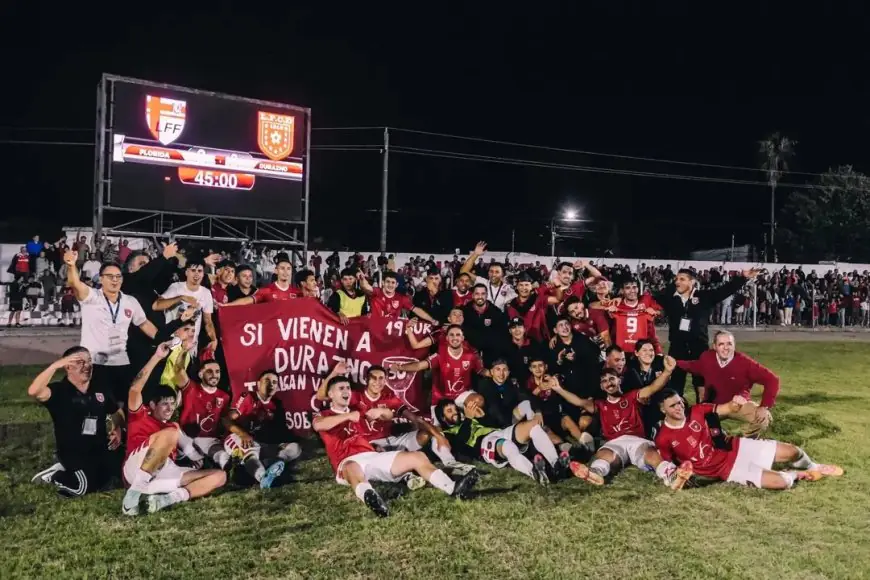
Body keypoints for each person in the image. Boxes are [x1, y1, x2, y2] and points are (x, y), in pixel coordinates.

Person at [314, 376, 478, 518]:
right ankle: (372, 499)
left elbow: (389, 415)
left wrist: (380, 411)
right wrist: (348, 416)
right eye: (341, 388)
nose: (346, 391)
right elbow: (319, 425)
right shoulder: (323, 414)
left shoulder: (358, 408)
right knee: (352, 467)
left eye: (348, 388)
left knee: (417, 457)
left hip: (372, 455)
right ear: (331, 394)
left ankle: (452, 488)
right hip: (347, 461)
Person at [655, 390, 843, 490]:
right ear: (663, 410)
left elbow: (726, 408)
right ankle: (795, 474)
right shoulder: (663, 437)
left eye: (680, 402)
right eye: (673, 406)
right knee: (782, 483)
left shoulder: (697, 411)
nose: (679, 407)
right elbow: (668, 465)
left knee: (792, 451)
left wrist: (735, 403)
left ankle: (814, 466)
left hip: (736, 447)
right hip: (727, 470)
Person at [121, 343, 226, 516]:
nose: (170, 408)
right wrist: (157, 357)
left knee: (220, 476)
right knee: (171, 433)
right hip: (136, 469)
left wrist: (202, 459)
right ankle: (133, 495)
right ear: (152, 405)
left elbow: (192, 453)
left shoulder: (173, 427)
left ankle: (166, 500)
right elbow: (135, 388)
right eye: (165, 404)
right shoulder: (141, 415)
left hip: (163, 473)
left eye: (172, 403)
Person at [315, 363, 473, 475]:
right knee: (378, 452)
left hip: (391, 439)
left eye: (381, 378)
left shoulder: (390, 398)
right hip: (369, 444)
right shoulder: (355, 396)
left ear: (385, 380)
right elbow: (321, 396)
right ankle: (406, 473)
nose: (378, 382)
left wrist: (438, 436)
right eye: (373, 378)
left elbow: (414, 418)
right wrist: (334, 373)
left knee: (427, 433)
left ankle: (451, 463)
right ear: (366, 379)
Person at [558, 361, 690, 489]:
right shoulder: (600, 405)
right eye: (604, 381)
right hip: (615, 442)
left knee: (650, 453)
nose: (609, 383)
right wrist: (558, 388)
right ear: (602, 386)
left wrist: (667, 371)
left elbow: (653, 388)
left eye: (612, 379)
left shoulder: (632, 397)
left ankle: (671, 476)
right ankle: (595, 473)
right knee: (605, 454)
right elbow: (578, 401)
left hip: (637, 440)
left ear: (619, 380)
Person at [649, 266, 761, 399]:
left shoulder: (704, 297)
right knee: (676, 387)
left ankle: (703, 411)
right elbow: (648, 298)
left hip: (699, 348)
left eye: (682, 279)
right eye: (676, 279)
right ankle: (678, 411)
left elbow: (724, 291)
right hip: (677, 348)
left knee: (702, 387)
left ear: (692, 282)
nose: (677, 282)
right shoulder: (670, 298)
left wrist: (743, 278)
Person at [63, 250, 158, 403]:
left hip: (121, 361)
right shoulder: (91, 297)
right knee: (96, 404)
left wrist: (164, 339)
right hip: (95, 363)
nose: (115, 280)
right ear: (101, 279)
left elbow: (144, 323)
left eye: (118, 276)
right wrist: (71, 265)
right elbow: (75, 283)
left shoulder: (130, 301)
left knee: (124, 403)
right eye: (110, 276)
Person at [28, 347, 124, 497]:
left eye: (89, 361)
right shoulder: (59, 391)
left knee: (117, 478)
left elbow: (116, 412)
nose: (87, 366)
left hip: (99, 448)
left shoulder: (100, 389)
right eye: (80, 362)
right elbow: (33, 391)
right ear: (67, 367)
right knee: (82, 488)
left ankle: (86, 472)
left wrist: (117, 428)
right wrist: (54, 366)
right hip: (74, 453)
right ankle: (55, 475)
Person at [434, 396, 569, 485]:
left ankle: (556, 465)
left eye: (455, 409)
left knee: (533, 426)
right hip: (484, 445)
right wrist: (469, 419)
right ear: (443, 418)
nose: (455, 412)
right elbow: (461, 443)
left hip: (500, 432)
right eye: (449, 411)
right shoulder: (448, 434)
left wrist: (482, 417)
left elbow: (494, 425)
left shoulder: (469, 420)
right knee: (508, 446)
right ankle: (535, 473)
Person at [675, 330, 780, 438]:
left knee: (764, 418)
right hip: (714, 406)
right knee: (689, 424)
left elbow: (772, 379)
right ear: (714, 346)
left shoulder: (745, 363)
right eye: (721, 344)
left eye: (729, 344)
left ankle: (744, 442)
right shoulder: (707, 358)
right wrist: (675, 363)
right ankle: (715, 437)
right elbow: (694, 366)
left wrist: (764, 406)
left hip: (738, 405)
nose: (726, 348)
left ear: (734, 345)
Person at [222, 370, 302, 488]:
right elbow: (225, 420)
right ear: (258, 384)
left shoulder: (275, 405)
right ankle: (263, 477)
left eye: (274, 382)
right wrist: (242, 433)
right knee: (250, 450)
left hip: (259, 442)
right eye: (267, 381)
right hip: (237, 437)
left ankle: (274, 464)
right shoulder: (248, 397)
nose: (271, 384)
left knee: (295, 447)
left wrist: (280, 444)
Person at [389, 325, 487, 410]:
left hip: (462, 393)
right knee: (443, 423)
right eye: (451, 335)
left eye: (458, 335)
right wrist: (399, 367)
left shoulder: (470, 354)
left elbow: (481, 370)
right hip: (441, 397)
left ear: (462, 338)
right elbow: (419, 365)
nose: (455, 338)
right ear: (447, 338)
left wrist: (491, 373)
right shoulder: (440, 355)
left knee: (479, 401)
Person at [153, 259, 218, 354]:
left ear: (203, 274)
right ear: (186, 272)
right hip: (171, 341)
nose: (196, 274)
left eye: (200, 271)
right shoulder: (176, 287)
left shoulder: (206, 293)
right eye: (193, 270)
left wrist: (213, 339)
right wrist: (180, 298)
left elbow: (208, 321)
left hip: (190, 345)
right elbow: (156, 306)